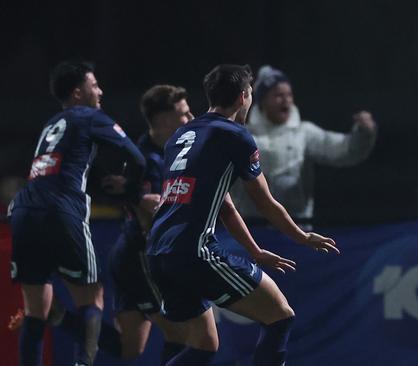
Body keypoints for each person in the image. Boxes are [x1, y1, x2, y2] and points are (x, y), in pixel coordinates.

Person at [147, 64, 339, 365]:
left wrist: (255, 251)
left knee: (204, 345)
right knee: (279, 315)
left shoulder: (181, 136)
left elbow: (225, 207)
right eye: (250, 94)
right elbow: (265, 201)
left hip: (158, 251)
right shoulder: (234, 135)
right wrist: (302, 236)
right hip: (194, 252)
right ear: (242, 98)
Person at [7, 60, 151, 366]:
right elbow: (137, 159)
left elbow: (69, 166)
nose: (100, 91)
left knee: (36, 309)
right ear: (77, 93)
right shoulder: (89, 115)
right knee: (91, 296)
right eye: (94, 85)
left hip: (23, 209)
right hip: (62, 209)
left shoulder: (50, 125)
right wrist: (130, 189)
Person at [231, 65, 377, 221]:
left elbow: (344, 151)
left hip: (298, 230)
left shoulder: (304, 133)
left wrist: (363, 134)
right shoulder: (243, 135)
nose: (286, 99)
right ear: (262, 101)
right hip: (253, 231)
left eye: (289, 94)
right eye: (278, 95)